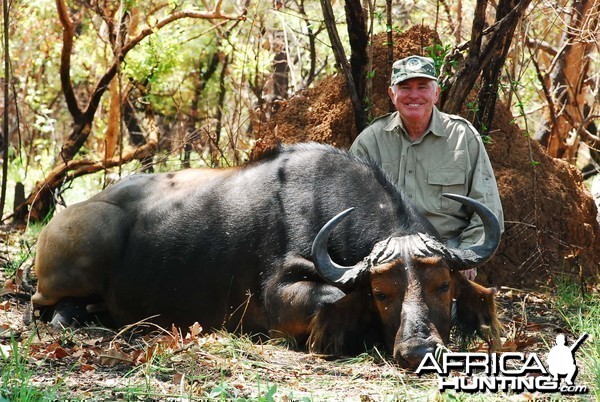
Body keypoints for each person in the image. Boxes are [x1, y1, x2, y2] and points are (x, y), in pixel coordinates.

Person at [350, 55, 504, 280]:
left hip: (446, 255)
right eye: (405, 87)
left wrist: (468, 254)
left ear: (436, 94)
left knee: (460, 314)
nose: (414, 95)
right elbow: (351, 210)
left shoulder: (462, 137)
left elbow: (487, 208)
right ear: (392, 95)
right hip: (388, 259)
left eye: (422, 87)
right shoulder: (370, 141)